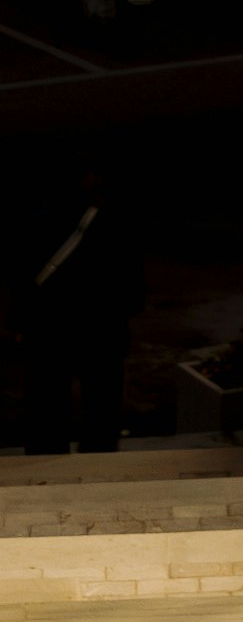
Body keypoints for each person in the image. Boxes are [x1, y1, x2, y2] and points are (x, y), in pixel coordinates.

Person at [20, 152, 142, 453]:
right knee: (101, 405)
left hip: (48, 328)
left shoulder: (37, 220)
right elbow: (132, 288)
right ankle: (97, 469)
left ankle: (45, 467)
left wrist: (22, 321)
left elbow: (22, 275)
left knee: (46, 406)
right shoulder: (115, 223)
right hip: (101, 328)